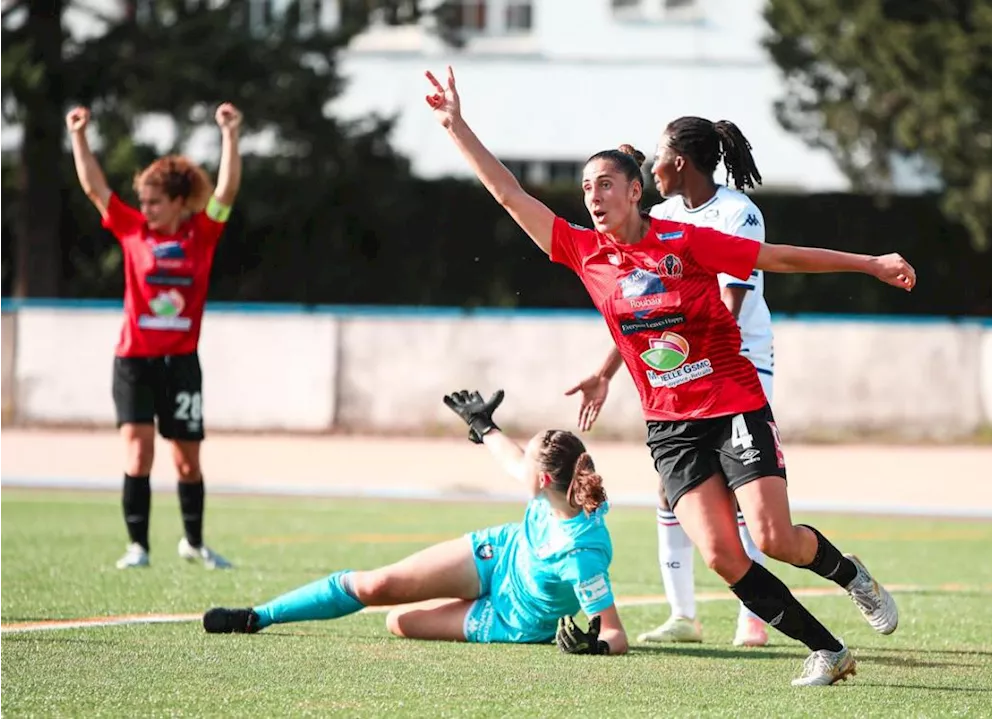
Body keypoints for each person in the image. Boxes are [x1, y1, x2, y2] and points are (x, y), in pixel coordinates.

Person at [424, 66, 914, 686]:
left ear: (635, 191)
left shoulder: (688, 240)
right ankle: (827, 650)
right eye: (584, 189)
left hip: (732, 400)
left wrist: (871, 263)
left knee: (774, 536)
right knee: (721, 555)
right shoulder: (584, 252)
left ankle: (852, 577)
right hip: (670, 426)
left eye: (605, 184)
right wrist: (455, 126)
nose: (593, 197)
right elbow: (509, 195)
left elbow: (779, 258)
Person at [203, 389, 629, 655]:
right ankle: (257, 616)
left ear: (543, 480)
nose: (518, 460)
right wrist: (484, 425)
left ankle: (450, 603)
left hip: (511, 617)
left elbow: (614, 633)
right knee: (376, 587)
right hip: (498, 554)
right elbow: (513, 457)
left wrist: (595, 647)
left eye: (527, 461)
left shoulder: (581, 552)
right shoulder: (555, 488)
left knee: (397, 622)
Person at [564, 116, 777, 648]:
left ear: (679, 162)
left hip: (736, 362)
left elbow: (720, 307)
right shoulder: (658, 215)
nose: (654, 167)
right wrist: (606, 372)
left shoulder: (737, 214)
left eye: (658, 156)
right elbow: (647, 307)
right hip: (679, 365)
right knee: (670, 488)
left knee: (737, 491)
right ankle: (684, 614)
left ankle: (754, 614)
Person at [67, 103, 242, 571]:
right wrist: (79, 136)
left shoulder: (201, 234)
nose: (145, 209)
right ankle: (138, 546)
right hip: (134, 361)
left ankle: (194, 542)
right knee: (138, 451)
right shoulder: (131, 231)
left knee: (187, 460)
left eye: (154, 202)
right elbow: (95, 188)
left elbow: (225, 191)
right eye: (142, 202)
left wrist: (229, 134)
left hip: (181, 363)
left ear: (179, 203)